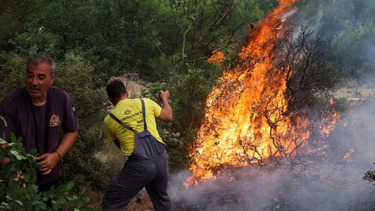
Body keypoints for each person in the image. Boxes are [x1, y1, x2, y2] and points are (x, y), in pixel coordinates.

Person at [0, 54, 79, 192]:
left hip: (52, 179)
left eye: (41, 77)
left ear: (51, 79)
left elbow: (72, 130)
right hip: (19, 180)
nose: (34, 82)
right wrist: (15, 174)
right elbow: (1, 143)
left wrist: (57, 155)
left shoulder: (61, 98)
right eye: (30, 76)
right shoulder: (10, 103)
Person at [102, 79, 172, 211]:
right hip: (162, 159)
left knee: (112, 199)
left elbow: (120, 145)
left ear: (109, 99)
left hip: (139, 166)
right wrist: (165, 98)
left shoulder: (109, 120)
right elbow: (168, 116)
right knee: (161, 198)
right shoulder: (145, 102)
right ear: (126, 93)